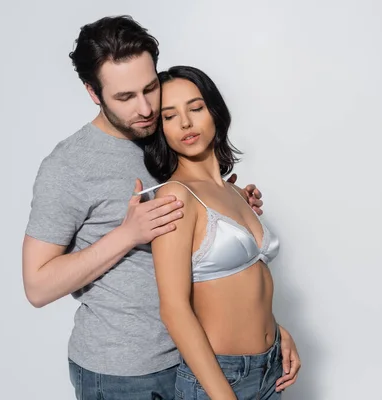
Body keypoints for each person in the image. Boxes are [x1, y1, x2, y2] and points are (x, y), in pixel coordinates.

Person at [21, 15, 299, 400]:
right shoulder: (69, 166)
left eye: (150, 88)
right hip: (127, 371)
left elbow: (208, 249)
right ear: (93, 92)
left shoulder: (166, 139)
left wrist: (233, 211)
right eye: (124, 97)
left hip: (201, 355)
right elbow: (36, 286)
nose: (146, 108)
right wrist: (126, 235)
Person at [141, 65, 298, 400]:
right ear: (160, 129)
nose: (185, 123)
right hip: (219, 380)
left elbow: (245, 283)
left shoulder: (232, 191)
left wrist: (278, 332)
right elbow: (174, 308)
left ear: (215, 111)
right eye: (169, 116)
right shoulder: (175, 195)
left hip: (271, 368)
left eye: (195, 108)